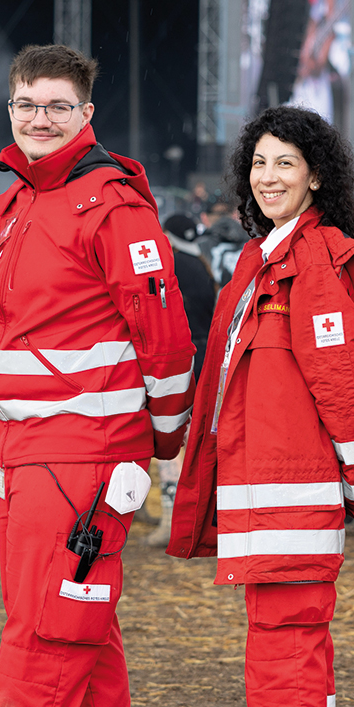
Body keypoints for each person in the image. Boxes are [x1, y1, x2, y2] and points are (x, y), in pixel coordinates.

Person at [0, 44, 195, 707]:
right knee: (78, 622)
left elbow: (165, 342)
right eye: (27, 105)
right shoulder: (20, 198)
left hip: (87, 453)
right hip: (31, 451)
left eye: (58, 106)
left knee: (46, 624)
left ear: (87, 115)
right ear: (12, 109)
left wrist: (164, 456)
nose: (40, 119)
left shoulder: (112, 205)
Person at [167, 105, 354, 707]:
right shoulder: (264, 261)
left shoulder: (309, 265)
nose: (268, 176)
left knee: (283, 668)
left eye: (285, 163)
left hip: (288, 506)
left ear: (315, 175)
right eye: (259, 163)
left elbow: (348, 387)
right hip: (269, 502)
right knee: (302, 663)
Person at [143, 214, 218, 549]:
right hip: (206, 355)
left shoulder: (170, 263)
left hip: (180, 358)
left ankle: (172, 520)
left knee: (171, 436)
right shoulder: (202, 265)